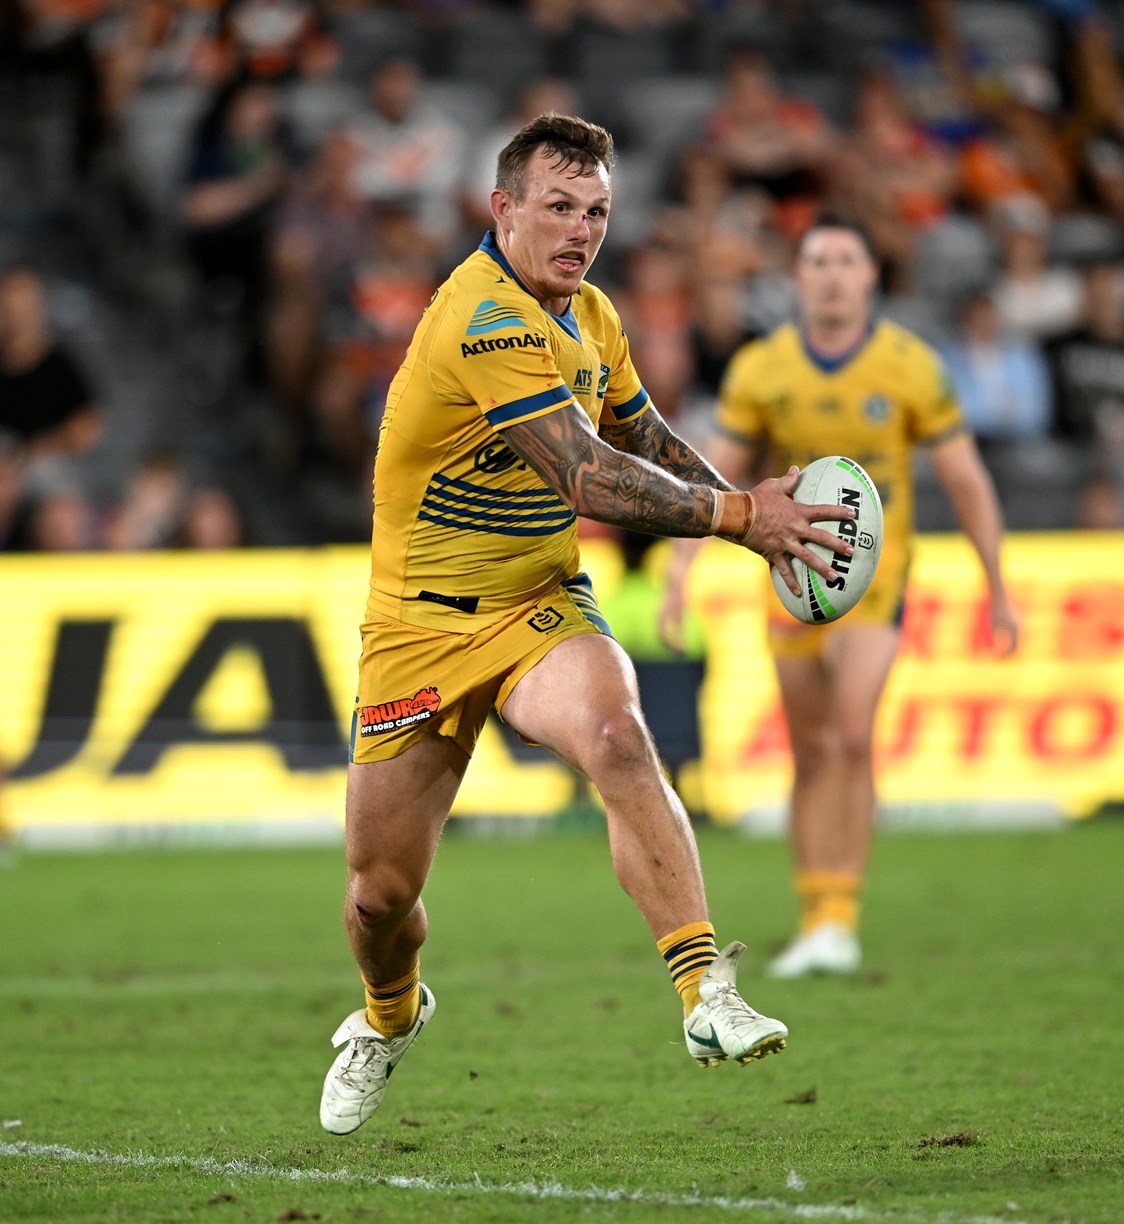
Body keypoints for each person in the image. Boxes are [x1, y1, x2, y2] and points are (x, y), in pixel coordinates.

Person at [318, 113, 857, 1136]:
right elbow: (587, 476)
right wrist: (742, 516)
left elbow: (642, 436)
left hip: (539, 602)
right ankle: (390, 1014)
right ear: (502, 209)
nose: (581, 230)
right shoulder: (483, 317)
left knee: (617, 733)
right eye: (559, 207)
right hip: (421, 628)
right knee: (378, 899)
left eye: (597, 211)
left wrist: (755, 520)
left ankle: (704, 991)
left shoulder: (593, 315)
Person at [662, 214, 1019, 979]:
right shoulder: (763, 368)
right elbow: (713, 477)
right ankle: (815, 909)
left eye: (846, 260)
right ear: (797, 277)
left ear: (871, 276)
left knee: (853, 735)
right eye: (817, 261)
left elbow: (964, 478)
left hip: (876, 584)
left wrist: (996, 585)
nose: (831, 275)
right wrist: (678, 574)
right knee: (811, 750)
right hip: (791, 579)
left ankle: (840, 915)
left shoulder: (910, 365)